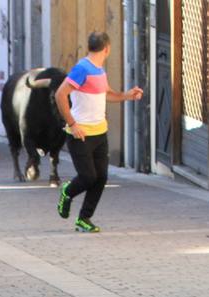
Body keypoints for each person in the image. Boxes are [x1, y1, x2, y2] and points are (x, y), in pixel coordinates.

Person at [54, 31, 143, 233]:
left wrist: (126, 95)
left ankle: (84, 219)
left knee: (101, 177)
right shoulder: (82, 69)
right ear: (107, 49)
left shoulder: (99, 70)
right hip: (80, 134)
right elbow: (60, 94)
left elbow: (106, 94)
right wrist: (73, 124)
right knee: (87, 177)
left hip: (100, 133)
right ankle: (67, 191)